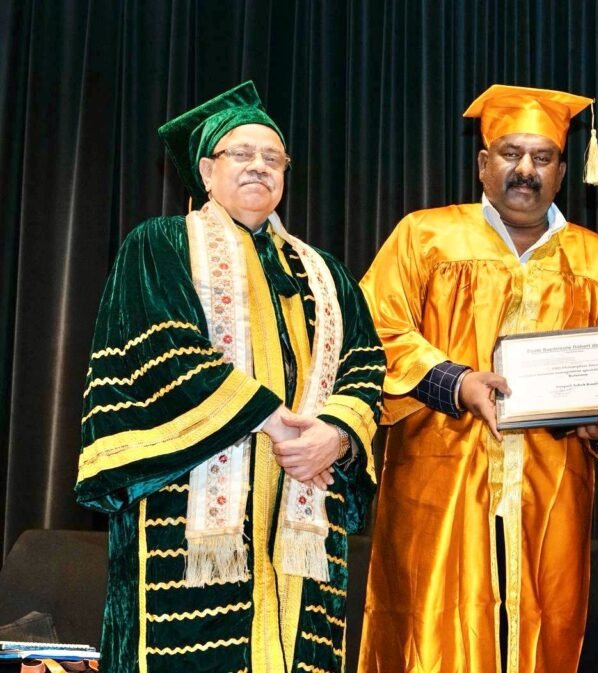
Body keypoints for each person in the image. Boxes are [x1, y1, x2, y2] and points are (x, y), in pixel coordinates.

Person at [75, 82, 384, 673]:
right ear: (206, 171)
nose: (259, 167)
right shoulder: (161, 244)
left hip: (303, 516)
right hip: (188, 507)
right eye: (241, 154)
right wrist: (270, 418)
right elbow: (162, 345)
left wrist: (336, 434)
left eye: (273, 158)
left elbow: (366, 362)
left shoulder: (325, 273)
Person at [358, 84, 598, 673]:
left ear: (561, 171)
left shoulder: (595, 259)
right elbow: (373, 330)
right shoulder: (425, 236)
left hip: (551, 487)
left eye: (543, 157)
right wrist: (456, 382)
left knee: (543, 632)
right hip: (441, 479)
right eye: (511, 154)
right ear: (483, 163)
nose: (526, 170)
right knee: (430, 635)